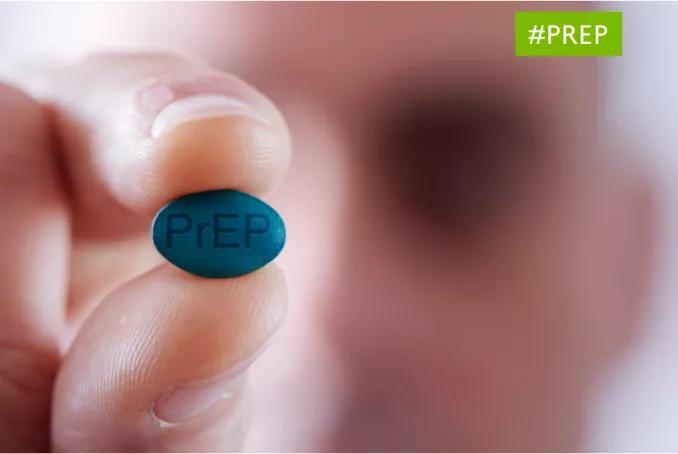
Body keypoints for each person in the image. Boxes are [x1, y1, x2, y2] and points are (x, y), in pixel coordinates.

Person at [0, 3, 656, 451]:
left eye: (468, 181)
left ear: (635, 258)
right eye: (203, 187)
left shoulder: (562, 29)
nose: (335, 318)